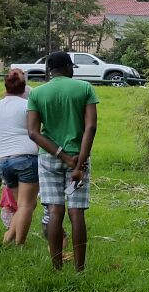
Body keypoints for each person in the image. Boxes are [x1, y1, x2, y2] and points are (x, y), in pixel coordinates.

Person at [26, 51, 98, 271]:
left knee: (55, 211)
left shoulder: (37, 93)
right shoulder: (85, 88)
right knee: (76, 212)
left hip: (49, 158)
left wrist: (62, 156)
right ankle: (79, 268)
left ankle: (56, 266)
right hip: (79, 158)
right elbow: (91, 127)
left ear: (49, 70)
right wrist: (77, 163)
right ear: (68, 67)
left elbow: (33, 133)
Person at [0, 68, 39, 245]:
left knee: (22, 205)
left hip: (3, 160)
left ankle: (8, 238)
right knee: (27, 205)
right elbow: (36, 130)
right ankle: (20, 243)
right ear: (25, 87)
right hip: (25, 157)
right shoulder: (27, 106)